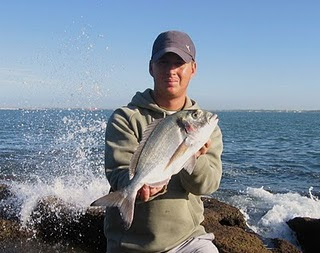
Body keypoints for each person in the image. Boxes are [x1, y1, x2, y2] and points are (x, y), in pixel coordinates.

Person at [104, 30, 223, 252]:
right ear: (151, 67)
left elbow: (207, 185)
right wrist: (137, 190)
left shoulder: (206, 125)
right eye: (163, 62)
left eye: (179, 63)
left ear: (193, 69)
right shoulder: (125, 118)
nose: (171, 70)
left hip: (188, 240)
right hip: (130, 245)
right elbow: (119, 173)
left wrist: (194, 157)